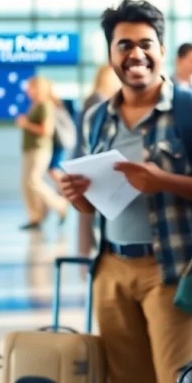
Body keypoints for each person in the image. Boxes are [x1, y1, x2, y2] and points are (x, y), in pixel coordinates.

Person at [57, 0, 192, 383]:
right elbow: (94, 196)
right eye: (123, 45)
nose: (135, 54)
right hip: (110, 267)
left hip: (169, 270)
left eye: (145, 43)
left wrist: (163, 181)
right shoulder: (97, 118)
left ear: (162, 50)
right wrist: (77, 196)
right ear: (111, 54)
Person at [74, 65, 121, 256]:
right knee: (87, 215)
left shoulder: (101, 99)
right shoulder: (97, 101)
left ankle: (87, 255)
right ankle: (87, 258)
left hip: (90, 161)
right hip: (89, 163)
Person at [17, 76, 69, 230]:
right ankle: (35, 217)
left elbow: (47, 131)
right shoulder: (34, 105)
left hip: (40, 149)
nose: (28, 90)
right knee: (26, 184)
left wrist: (26, 124)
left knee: (34, 181)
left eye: (31, 87)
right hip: (29, 149)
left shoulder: (45, 105)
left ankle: (59, 204)